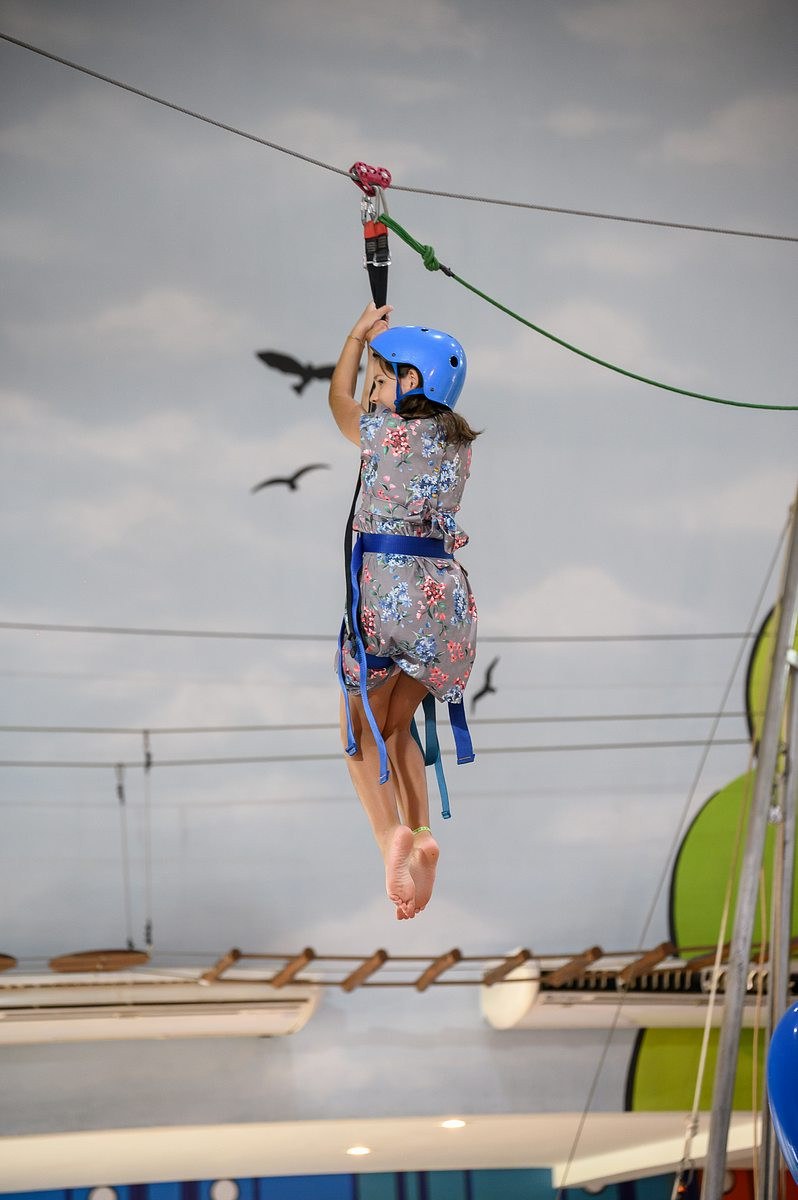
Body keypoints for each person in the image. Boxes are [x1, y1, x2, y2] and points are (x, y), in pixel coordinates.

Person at [329, 301, 480, 920]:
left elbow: (339, 400)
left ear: (411, 381)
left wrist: (355, 340)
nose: (372, 392)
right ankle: (419, 835)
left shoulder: (383, 436)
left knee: (358, 735)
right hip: (445, 607)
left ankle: (387, 835)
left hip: (389, 596)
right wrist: (383, 353)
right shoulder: (455, 442)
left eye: (383, 380)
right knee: (398, 728)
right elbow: (380, 395)